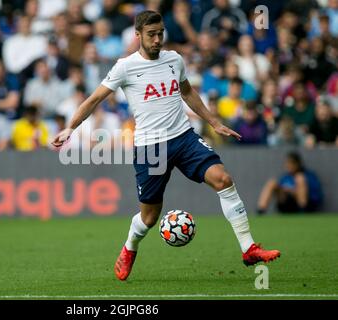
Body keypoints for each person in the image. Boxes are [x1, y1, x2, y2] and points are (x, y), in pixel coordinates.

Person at [52, 11, 280, 281]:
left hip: (184, 138)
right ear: (138, 35)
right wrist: (71, 127)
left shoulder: (174, 59)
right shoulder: (125, 66)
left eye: (160, 33)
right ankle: (129, 247)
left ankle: (248, 248)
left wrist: (213, 122)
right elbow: (94, 99)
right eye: (151, 34)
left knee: (223, 180)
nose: (158, 39)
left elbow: (187, 92)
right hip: (151, 147)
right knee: (149, 218)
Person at [257, 152, 323, 214]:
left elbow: (315, 195)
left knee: (300, 179)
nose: (288, 165)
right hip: (287, 204)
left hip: (305, 205)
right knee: (272, 182)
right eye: (287, 163)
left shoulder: (308, 175)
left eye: (291, 163)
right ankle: (261, 210)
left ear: (297, 164)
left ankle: (303, 211)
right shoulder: (285, 177)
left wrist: (293, 191)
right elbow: (281, 191)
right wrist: (285, 191)